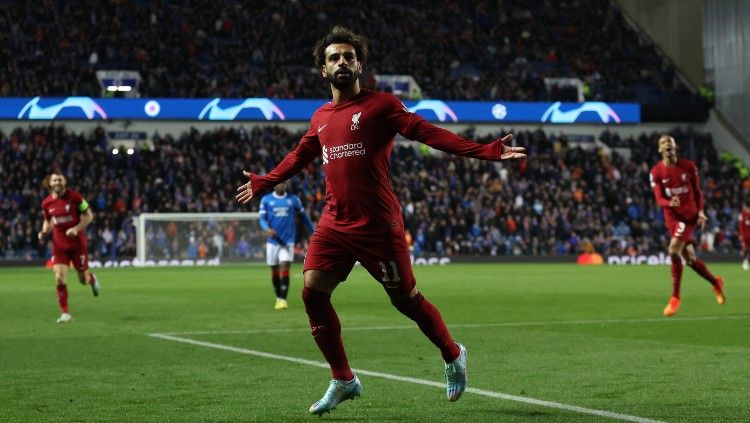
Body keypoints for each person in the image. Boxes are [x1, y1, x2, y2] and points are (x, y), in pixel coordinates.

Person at [236, 26, 526, 414]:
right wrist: (265, 181)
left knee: (405, 301)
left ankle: (454, 354)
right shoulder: (320, 117)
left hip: (379, 225)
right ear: (323, 69)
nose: (343, 61)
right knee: (312, 291)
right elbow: (299, 155)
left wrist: (485, 151)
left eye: (349, 56)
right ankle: (343, 378)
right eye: (334, 57)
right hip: (335, 222)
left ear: (359, 64)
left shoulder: (382, 105)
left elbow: (428, 133)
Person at [649, 135, 725, 317]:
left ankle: (675, 298)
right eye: (663, 143)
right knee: (690, 259)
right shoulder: (656, 172)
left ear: (675, 147)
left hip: (688, 216)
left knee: (673, 250)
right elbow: (659, 199)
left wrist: (700, 211)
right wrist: (669, 203)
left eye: (670, 142)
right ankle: (716, 282)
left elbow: (697, 192)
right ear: (660, 150)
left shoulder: (689, 167)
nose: (667, 144)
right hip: (672, 218)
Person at [38, 172, 100, 323]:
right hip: (59, 245)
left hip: (77, 245)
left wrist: (76, 229)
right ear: (50, 183)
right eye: (54, 180)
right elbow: (48, 221)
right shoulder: (46, 203)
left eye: (60, 179)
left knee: (82, 280)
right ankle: (65, 313)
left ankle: (91, 279)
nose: (57, 182)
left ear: (65, 182)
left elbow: (89, 216)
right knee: (59, 278)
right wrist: (44, 232)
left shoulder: (75, 197)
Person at [258, 181, 315, 310]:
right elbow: (262, 219)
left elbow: (304, 217)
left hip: (288, 241)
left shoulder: (293, 200)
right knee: (274, 270)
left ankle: (283, 299)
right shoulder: (266, 200)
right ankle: (278, 297)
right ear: (274, 185)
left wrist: (313, 232)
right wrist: (267, 229)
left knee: (285, 266)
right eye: (280, 183)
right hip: (273, 241)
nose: (282, 185)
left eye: (284, 183)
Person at [738, 199, 750, 270]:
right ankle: (745, 261)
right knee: (746, 248)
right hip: (746, 234)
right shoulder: (743, 214)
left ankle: (746, 261)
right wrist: (740, 235)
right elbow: (740, 225)